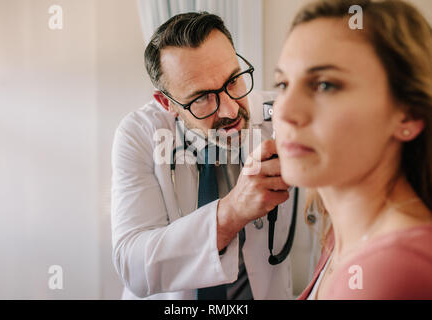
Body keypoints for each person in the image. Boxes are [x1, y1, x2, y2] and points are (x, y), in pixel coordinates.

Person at [111, 12, 310, 300]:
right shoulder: (138, 134)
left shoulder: (280, 116)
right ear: (167, 103)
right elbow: (133, 267)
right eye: (202, 97)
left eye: (233, 81)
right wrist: (232, 212)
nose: (230, 111)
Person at [272, 0, 432, 299]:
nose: (285, 111)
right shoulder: (339, 237)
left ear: (408, 115)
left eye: (324, 85)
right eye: (282, 84)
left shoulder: (392, 271)